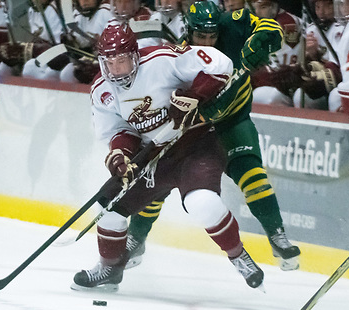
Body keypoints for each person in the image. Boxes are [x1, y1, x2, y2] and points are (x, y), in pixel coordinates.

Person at [71, 20, 275, 292]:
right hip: (155, 156)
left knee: (202, 202)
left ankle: (240, 257)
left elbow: (220, 65)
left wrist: (193, 95)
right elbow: (119, 131)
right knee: (108, 206)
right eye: (109, 63)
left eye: (121, 61)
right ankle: (110, 268)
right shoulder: (101, 90)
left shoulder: (162, 60)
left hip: (196, 143)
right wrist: (122, 157)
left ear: (135, 55)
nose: (115, 70)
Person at [126, 2, 301, 271]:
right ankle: (135, 238)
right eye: (201, 36)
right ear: (189, 31)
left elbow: (270, 27)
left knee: (252, 174)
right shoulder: (177, 57)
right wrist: (186, 106)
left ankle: (277, 235)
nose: (207, 42)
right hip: (195, 131)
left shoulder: (233, 25)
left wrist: (262, 40)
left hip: (232, 122)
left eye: (212, 36)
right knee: (157, 182)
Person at [251, 0, 307, 106]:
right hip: (275, 82)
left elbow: (282, 73)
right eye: (255, 8)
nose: (258, 12)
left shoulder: (287, 23)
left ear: (274, 5)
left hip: (288, 88)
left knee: (262, 97)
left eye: (263, 7)